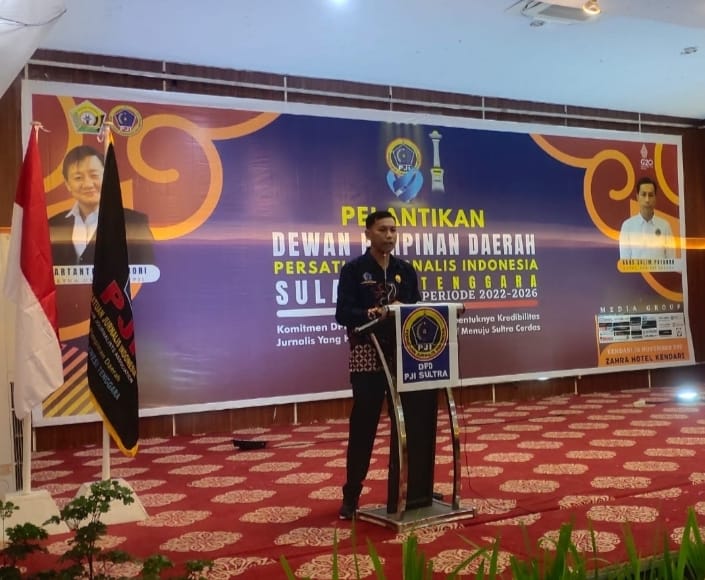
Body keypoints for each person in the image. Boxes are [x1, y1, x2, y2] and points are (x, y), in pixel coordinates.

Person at [334, 210, 420, 520]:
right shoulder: (354, 270)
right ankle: (351, 495)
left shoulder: (405, 270)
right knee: (364, 427)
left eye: (393, 230)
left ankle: (409, 489)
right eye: (383, 229)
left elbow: (416, 308)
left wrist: (404, 310)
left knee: (407, 427)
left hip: (402, 356)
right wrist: (374, 312)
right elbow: (343, 314)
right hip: (367, 354)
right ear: (368, 233)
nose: (389, 235)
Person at [48, 145, 155, 267]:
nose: (88, 184)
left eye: (94, 175)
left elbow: (146, 270)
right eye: (78, 178)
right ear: (67, 184)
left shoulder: (135, 223)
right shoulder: (53, 224)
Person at [618, 176, 676, 264]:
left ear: (655, 198)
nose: (647, 199)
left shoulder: (665, 226)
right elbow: (625, 262)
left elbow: (671, 261)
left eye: (651, 195)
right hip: (636, 273)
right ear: (637, 197)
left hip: (660, 273)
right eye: (643, 194)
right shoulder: (627, 226)